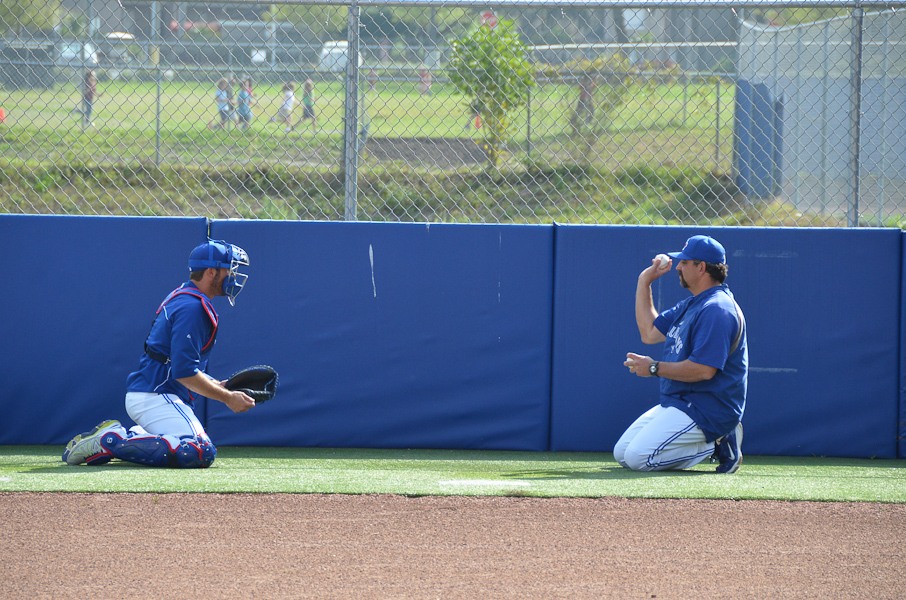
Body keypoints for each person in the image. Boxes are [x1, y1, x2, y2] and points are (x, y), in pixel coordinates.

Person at [62, 240, 255, 468]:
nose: (233, 275)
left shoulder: (186, 296)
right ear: (211, 272)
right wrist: (226, 398)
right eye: (229, 269)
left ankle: (137, 435)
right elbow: (184, 372)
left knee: (187, 446)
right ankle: (112, 440)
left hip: (156, 394)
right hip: (156, 396)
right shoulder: (192, 307)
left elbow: (178, 365)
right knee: (198, 451)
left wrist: (219, 386)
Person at [615, 235, 748, 474]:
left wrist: (654, 367)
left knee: (638, 458)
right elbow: (649, 333)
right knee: (623, 453)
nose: (678, 266)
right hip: (682, 401)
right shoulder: (693, 304)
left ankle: (717, 442)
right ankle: (713, 441)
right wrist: (644, 282)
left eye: (684, 262)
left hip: (709, 407)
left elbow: (704, 370)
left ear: (702, 267)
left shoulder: (717, 309)